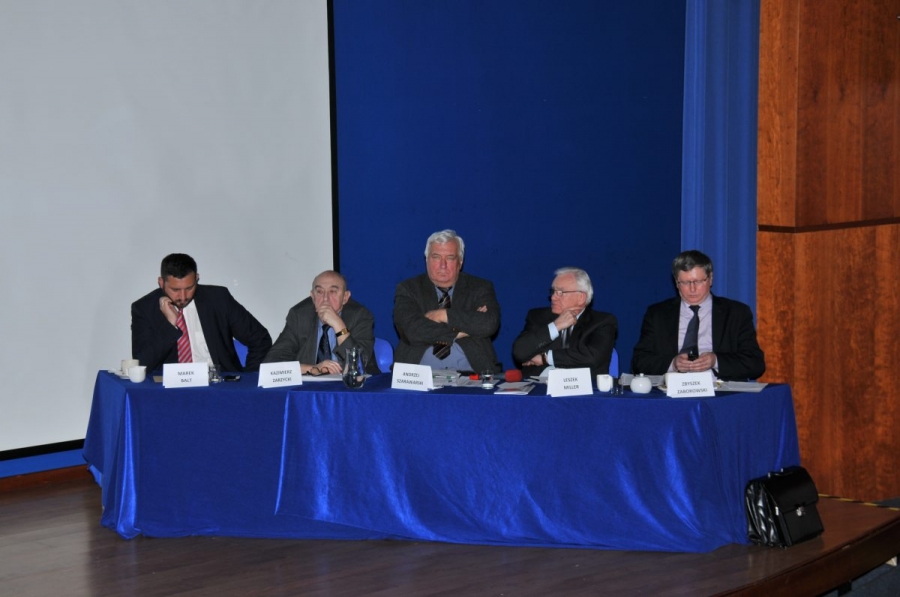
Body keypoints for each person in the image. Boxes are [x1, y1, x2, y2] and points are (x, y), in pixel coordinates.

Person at [631, 250, 765, 380]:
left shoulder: (736, 313)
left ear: (710, 279)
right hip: (673, 389)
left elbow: (755, 364)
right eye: (685, 282)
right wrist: (673, 364)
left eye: (699, 281)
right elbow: (638, 362)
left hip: (720, 389)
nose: (692, 289)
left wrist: (716, 361)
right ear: (676, 283)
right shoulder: (657, 314)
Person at [131, 253, 272, 373]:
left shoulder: (218, 299)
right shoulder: (144, 309)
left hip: (219, 385)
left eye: (189, 288)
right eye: (175, 290)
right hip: (170, 389)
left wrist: (249, 379)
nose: (183, 296)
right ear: (161, 283)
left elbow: (260, 339)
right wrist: (170, 326)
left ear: (197, 278)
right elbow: (142, 364)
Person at [393, 229, 501, 373]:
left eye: (450, 258)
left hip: (472, 374)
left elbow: (488, 323)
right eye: (436, 257)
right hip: (417, 376)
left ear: (460, 262)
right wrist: (460, 332)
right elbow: (412, 330)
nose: (443, 265)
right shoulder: (408, 289)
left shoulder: (480, 287)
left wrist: (444, 315)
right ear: (426, 260)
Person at [263, 270, 379, 374]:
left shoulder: (360, 315)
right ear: (312, 296)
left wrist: (339, 325)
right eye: (319, 292)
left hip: (351, 387)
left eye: (333, 291)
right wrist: (314, 369)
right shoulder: (299, 315)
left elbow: (359, 365)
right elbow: (271, 363)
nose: (325, 298)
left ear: (345, 297)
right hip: (309, 387)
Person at [512, 267, 617, 378]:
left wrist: (545, 358)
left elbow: (592, 357)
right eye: (553, 291)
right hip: (541, 384)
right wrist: (555, 326)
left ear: (581, 297)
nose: (553, 297)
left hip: (585, 385)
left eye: (560, 292)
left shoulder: (602, 321)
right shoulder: (537, 317)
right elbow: (520, 352)